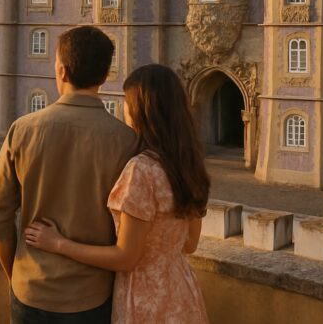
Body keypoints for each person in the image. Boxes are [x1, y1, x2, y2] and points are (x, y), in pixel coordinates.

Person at [24, 63, 211, 324]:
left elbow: (126, 258)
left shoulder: (142, 171)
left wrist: (58, 243)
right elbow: (189, 244)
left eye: (126, 100)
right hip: (182, 293)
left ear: (142, 110)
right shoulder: (188, 166)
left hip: (146, 300)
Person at [0, 25, 140, 323]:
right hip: (91, 296)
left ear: (62, 71)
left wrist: (16, 276)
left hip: (30, 290)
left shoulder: (22, 130)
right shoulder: (127, 141)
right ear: (105, 75)